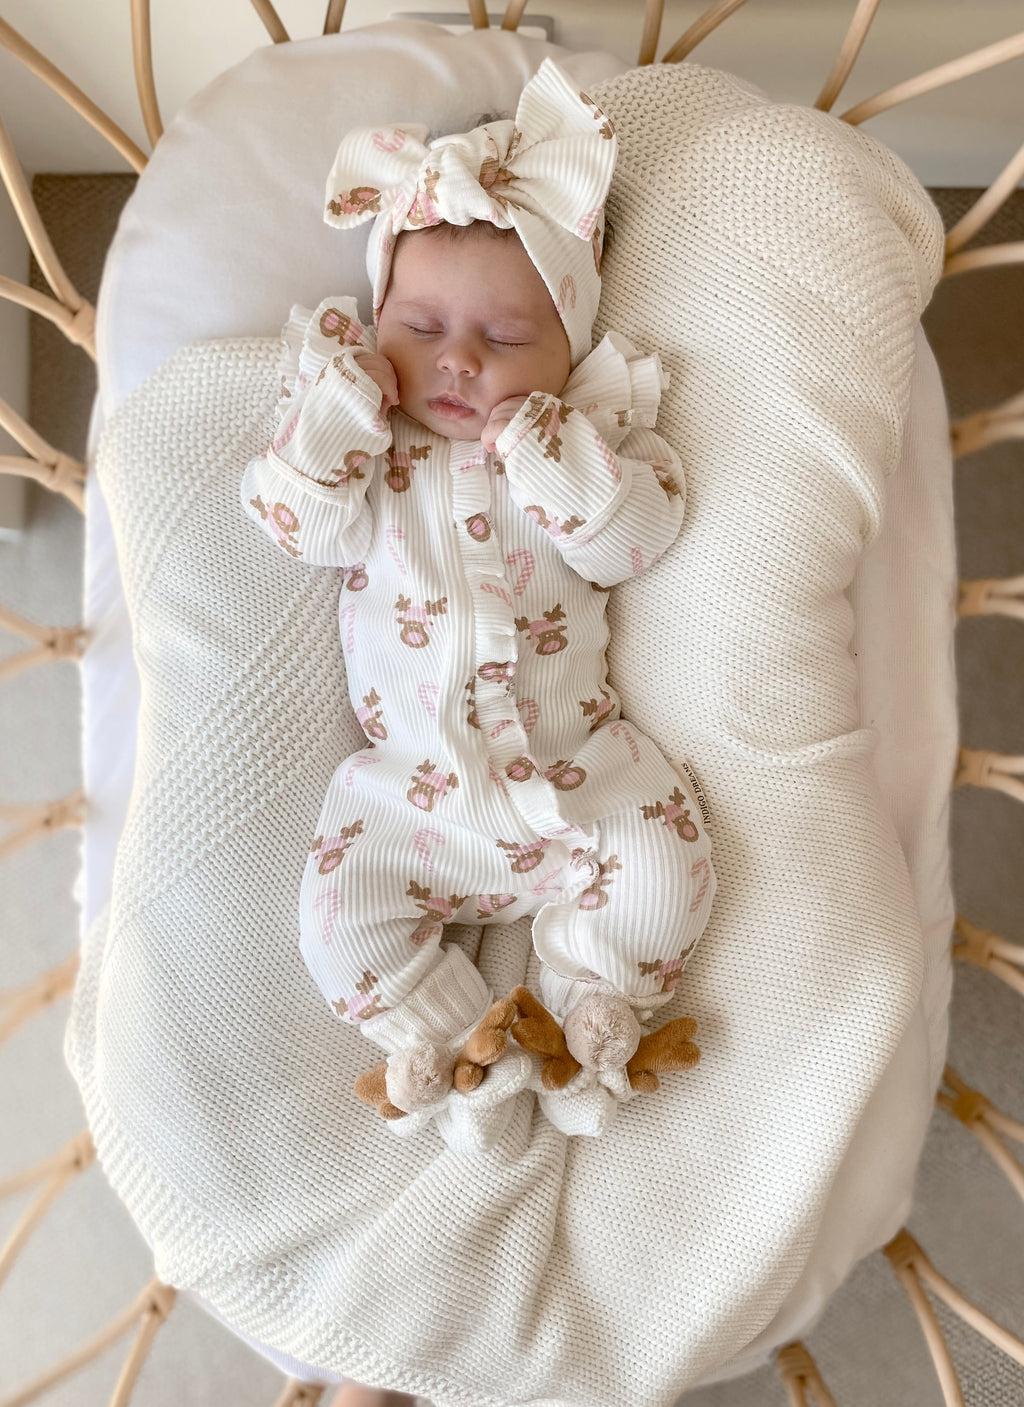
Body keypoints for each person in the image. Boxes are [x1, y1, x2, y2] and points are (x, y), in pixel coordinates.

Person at [242, 60, 714, 1136]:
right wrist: (330, 432)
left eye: (502, 343)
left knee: (663, 854)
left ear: (568, 346)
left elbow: (638, 542)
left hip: (579, 767)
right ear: (374, 324)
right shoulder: (364, 447)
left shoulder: (587, 434)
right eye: (419, 331)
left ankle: (584, 1018)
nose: (455, 365)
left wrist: (556, 461)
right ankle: (457, 1047)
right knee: (336, 921)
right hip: (409, 797)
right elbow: (288, 529)